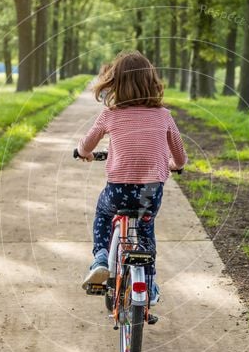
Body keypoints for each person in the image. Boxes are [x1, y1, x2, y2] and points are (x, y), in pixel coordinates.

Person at [77, 51, 187, 306]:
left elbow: (87, 144)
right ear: (152, 82)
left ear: (115, 83)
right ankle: (148, 284)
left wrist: (83, 153)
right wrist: (175, 165)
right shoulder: (164, 115)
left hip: (118, 191)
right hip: (150, 192)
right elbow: (179, 155)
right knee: (146, 228)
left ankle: (101, 258)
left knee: (104, 213)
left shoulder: (110, 114)